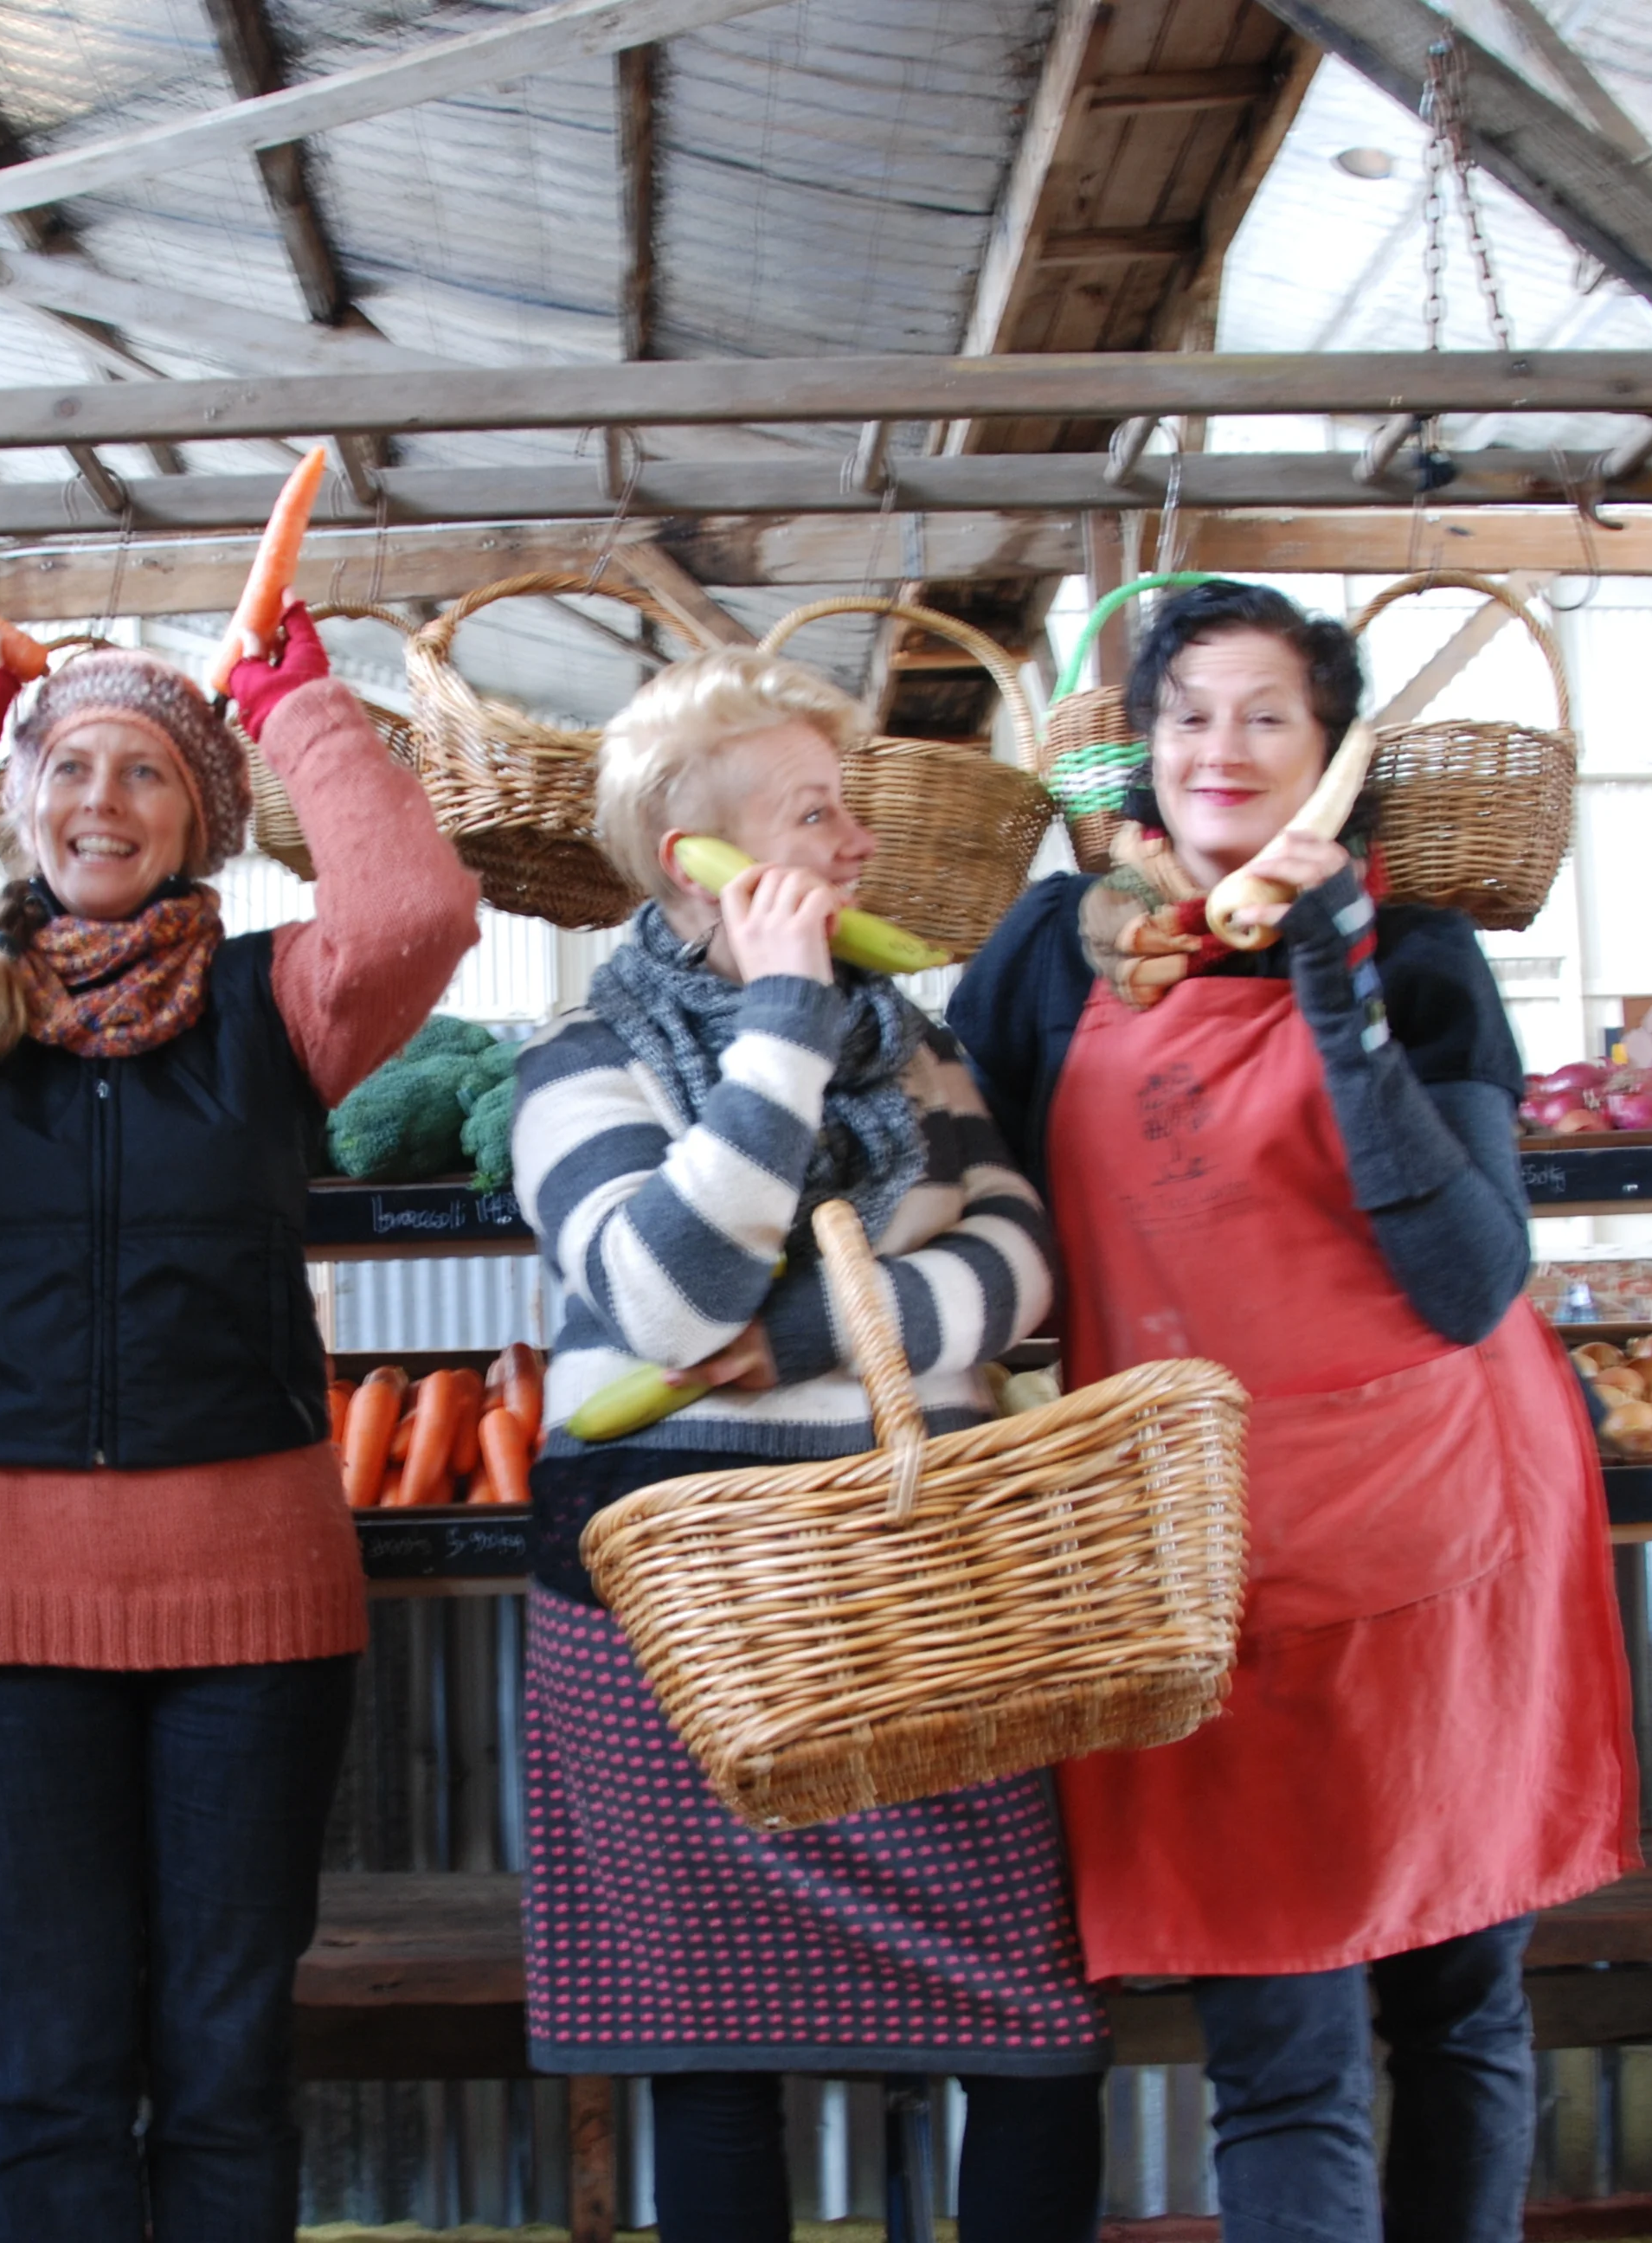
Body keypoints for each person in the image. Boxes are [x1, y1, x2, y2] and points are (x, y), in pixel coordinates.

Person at [0, 601, 478, 2233]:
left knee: (224, 2057)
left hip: (253, 1608)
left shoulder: (282, 1003)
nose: (103, 799)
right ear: (22, 809)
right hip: (11, 1608)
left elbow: (422, 906)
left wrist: (295, 707)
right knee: (58, 2063)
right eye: (69, 765)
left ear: (201, 820)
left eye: (148, 772)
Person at [952, 580, 1637, 2243]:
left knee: (1459, 2005)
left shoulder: (1417, 950)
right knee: (1284, 2039)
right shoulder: (1056, 950)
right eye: (1189, 712)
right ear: (1141, 744)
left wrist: (1335, 988)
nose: (1223, 748)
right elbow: (962, 1187)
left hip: (1442, 1528)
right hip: (1200, 1550)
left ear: (1335, 753)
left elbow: (1472, 1278)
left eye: (1270, 713)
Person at [508, 647, 1108, 2242]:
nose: (857, 846)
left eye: (849, 812)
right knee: (715, 2056)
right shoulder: (580, 1064)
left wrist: (810, 1335)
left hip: (920, 1597)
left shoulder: (915, 1050)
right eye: (817, 814)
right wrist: (779, 1021)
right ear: (697, 861)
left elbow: (1028, 1267)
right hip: (681, 1625)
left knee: (1034, 2037)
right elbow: (658, 1286)